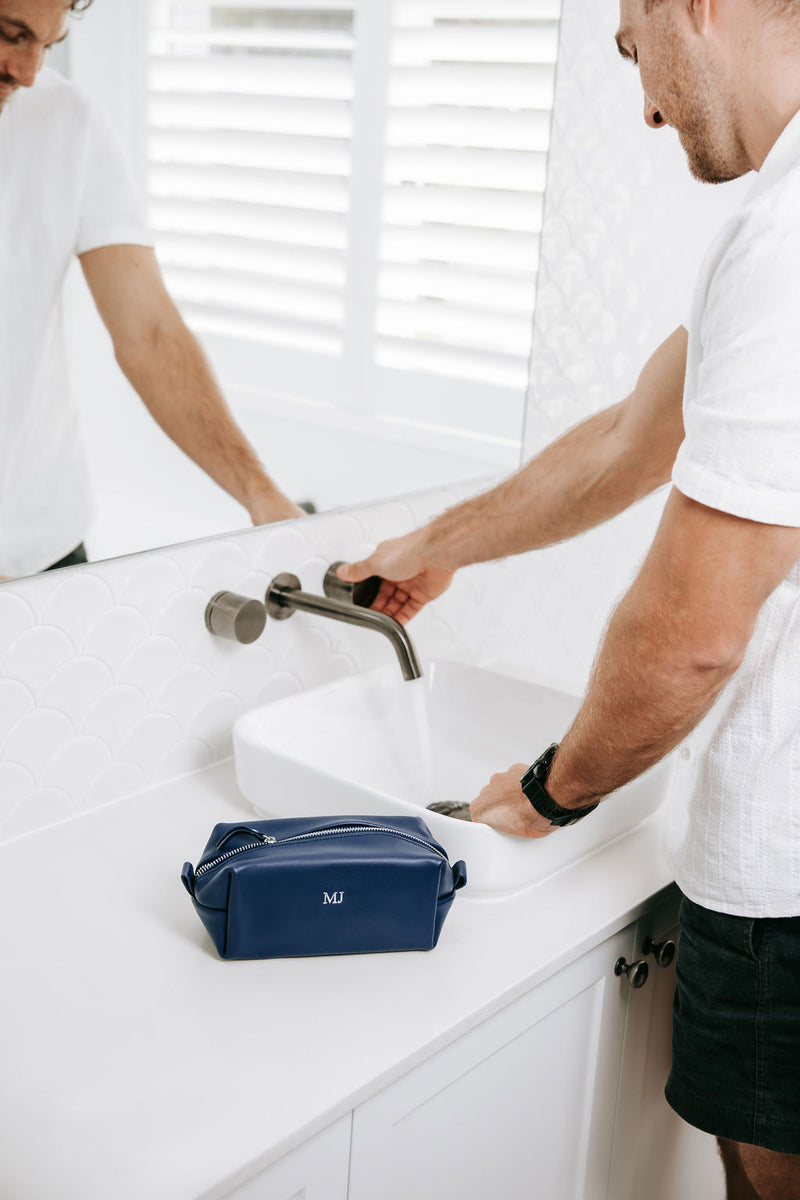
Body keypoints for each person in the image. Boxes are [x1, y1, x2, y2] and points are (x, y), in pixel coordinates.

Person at [340, 0, 800, 1195]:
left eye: (628, 49)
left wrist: (549, 791)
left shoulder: (790, 235)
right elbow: (631, 439)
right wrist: (440, 542)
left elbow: (694, 636)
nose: (643, 103)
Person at [0, 0, 303, 583]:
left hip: (46, 544)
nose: (29, 71)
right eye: (11, 36)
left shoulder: (68, 120)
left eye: (47, 45)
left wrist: (261, 496)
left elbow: (150, 332)